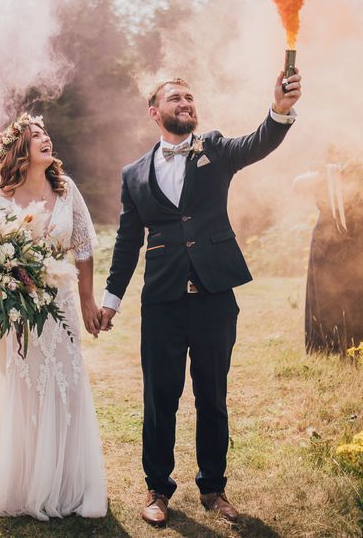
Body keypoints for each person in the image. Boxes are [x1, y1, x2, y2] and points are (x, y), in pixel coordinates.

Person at [99, 70, 302, 527]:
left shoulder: (214, 147)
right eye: (176, 97)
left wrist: (281, 111)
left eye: (190, 96)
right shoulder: (133, 174)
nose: (186, 102)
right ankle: (158, 489)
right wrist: (111, 300)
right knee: (160, 398)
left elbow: (259, 142)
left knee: (212, 396)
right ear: (155, 112)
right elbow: (128, 241)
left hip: (214, 297)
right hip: (162, 302)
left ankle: (213, 487)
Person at [0, 113, 107, 520]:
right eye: (35, 136)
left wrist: (87, 302)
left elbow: (83, 249)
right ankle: (20, 480)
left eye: (46, 133)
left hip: (61, 307)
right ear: (20, 151)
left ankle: (64, 482)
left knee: (64, 382)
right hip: (18, 312)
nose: (45, 139)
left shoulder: (68, 192)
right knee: (20, 386)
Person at [293, 149, 363, 355]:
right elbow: (296, 185)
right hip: (325, 240)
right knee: (325, 291)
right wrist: (327, 174)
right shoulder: (320, 177)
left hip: (358, 240)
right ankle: (326, 346)